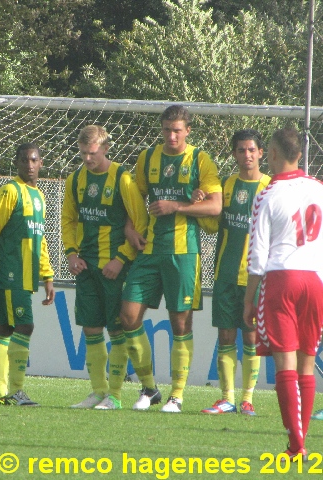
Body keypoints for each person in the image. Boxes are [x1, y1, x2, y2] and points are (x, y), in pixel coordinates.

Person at [120, 105, 222, 413]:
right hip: (149, 250)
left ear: (188, 130)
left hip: (184, 252)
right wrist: (128, 228)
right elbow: (134, 199)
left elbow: (215, 208)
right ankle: (150, 389)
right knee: (128, 316)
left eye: (177, 130)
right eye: (167, 130)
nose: (172, 135)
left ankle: (176, 396)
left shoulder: (200, 160)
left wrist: (176, 206)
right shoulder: (147, 158)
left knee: (180, 323)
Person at [244, 127, 323, 461]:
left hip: (282, 280)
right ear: (300, 155)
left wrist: (249, 299)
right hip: (315, 281)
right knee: (307, 360)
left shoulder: (268, 193)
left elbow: (257, 254)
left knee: (285, 362)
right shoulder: (319, 189)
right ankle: (299, 442)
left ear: (272, 154)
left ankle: (296, 445)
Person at [62, 125, 148, 410]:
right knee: (90, 328)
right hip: (85, 267)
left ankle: (115, 395)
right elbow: (69, 220)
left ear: (106, 149)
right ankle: (97, 392)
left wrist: (121, 258)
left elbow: (140, 223)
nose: (87, 159)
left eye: (93, 153)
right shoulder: (75, 180)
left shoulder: (122, 179)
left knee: (116, 329)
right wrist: (71, 254)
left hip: (113, 267)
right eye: (83, 153)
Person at [0, 142, 55, 407]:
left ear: (41, 163)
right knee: (24, 325)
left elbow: (39, 240)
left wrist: (48, 276)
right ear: (16, 163)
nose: (29, 165)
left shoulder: (39, 197)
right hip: (8, 272)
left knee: (5, 327)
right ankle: (15, 391)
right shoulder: (9, 191)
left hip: (25, 276)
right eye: (23, 160)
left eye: (33, 160)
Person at [197, 130, 270, 416]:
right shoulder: (226, 186)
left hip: (255, 277)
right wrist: (202, 207)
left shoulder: (269, 187)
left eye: (251, 150)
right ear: (234, 154)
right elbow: (215, 227)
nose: (247, 155)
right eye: (241, 150)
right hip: (225, 273)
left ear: (261, 153)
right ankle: (226, 398)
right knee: (226, 336)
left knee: (250, 337)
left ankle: (248, 398)